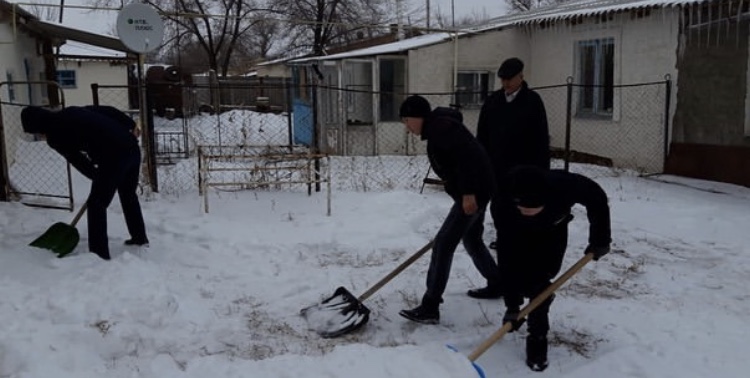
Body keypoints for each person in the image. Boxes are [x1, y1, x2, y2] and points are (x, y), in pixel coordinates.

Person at [397, 95, 499, 324]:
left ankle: (430, 306)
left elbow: (468, 158)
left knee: (443, 244)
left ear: (418, 116)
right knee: (472, 240)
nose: (406, 126)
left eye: (406, 120)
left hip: (475, 192)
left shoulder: (441, 129)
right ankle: (497, 283)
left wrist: (469, 193)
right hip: (478, 189)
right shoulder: (439, 127)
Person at [499, 165, 611, 371]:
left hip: (552, 233)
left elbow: (597, 198)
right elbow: (507, 261)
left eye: (533, 208)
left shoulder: (565, 185)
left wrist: (600, 239)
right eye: (524, 208)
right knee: (513, 270)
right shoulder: (504, 196)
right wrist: (513, 307)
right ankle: (519, 307)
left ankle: (537, 339)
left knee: (539, 282)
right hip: (516, 231)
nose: (528, 212)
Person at [21, 105, 149, 260]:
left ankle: (98, 254)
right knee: (128, 195)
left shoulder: (54, 136)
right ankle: (139, 237)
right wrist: (130, 124)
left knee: (96, 204)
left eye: (35, 132)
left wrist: (97, 177)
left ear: (38, 126)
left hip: (113, 157)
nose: (39, 136)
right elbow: (108, 110)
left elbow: (78, 160)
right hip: (131, 148)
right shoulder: (71, 110)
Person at [473, 57, 551, 300]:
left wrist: (540, 179)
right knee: (501, 224)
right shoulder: (494, 101)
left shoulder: (532, 102)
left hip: (525, 177)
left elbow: (540, 142)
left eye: (510, 78)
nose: (506, 83)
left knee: (524, 228)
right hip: (497, 175)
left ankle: (527, 282)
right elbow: (482, 137)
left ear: (521, 77)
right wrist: (481, 167)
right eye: (503, 79)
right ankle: (502, 283)